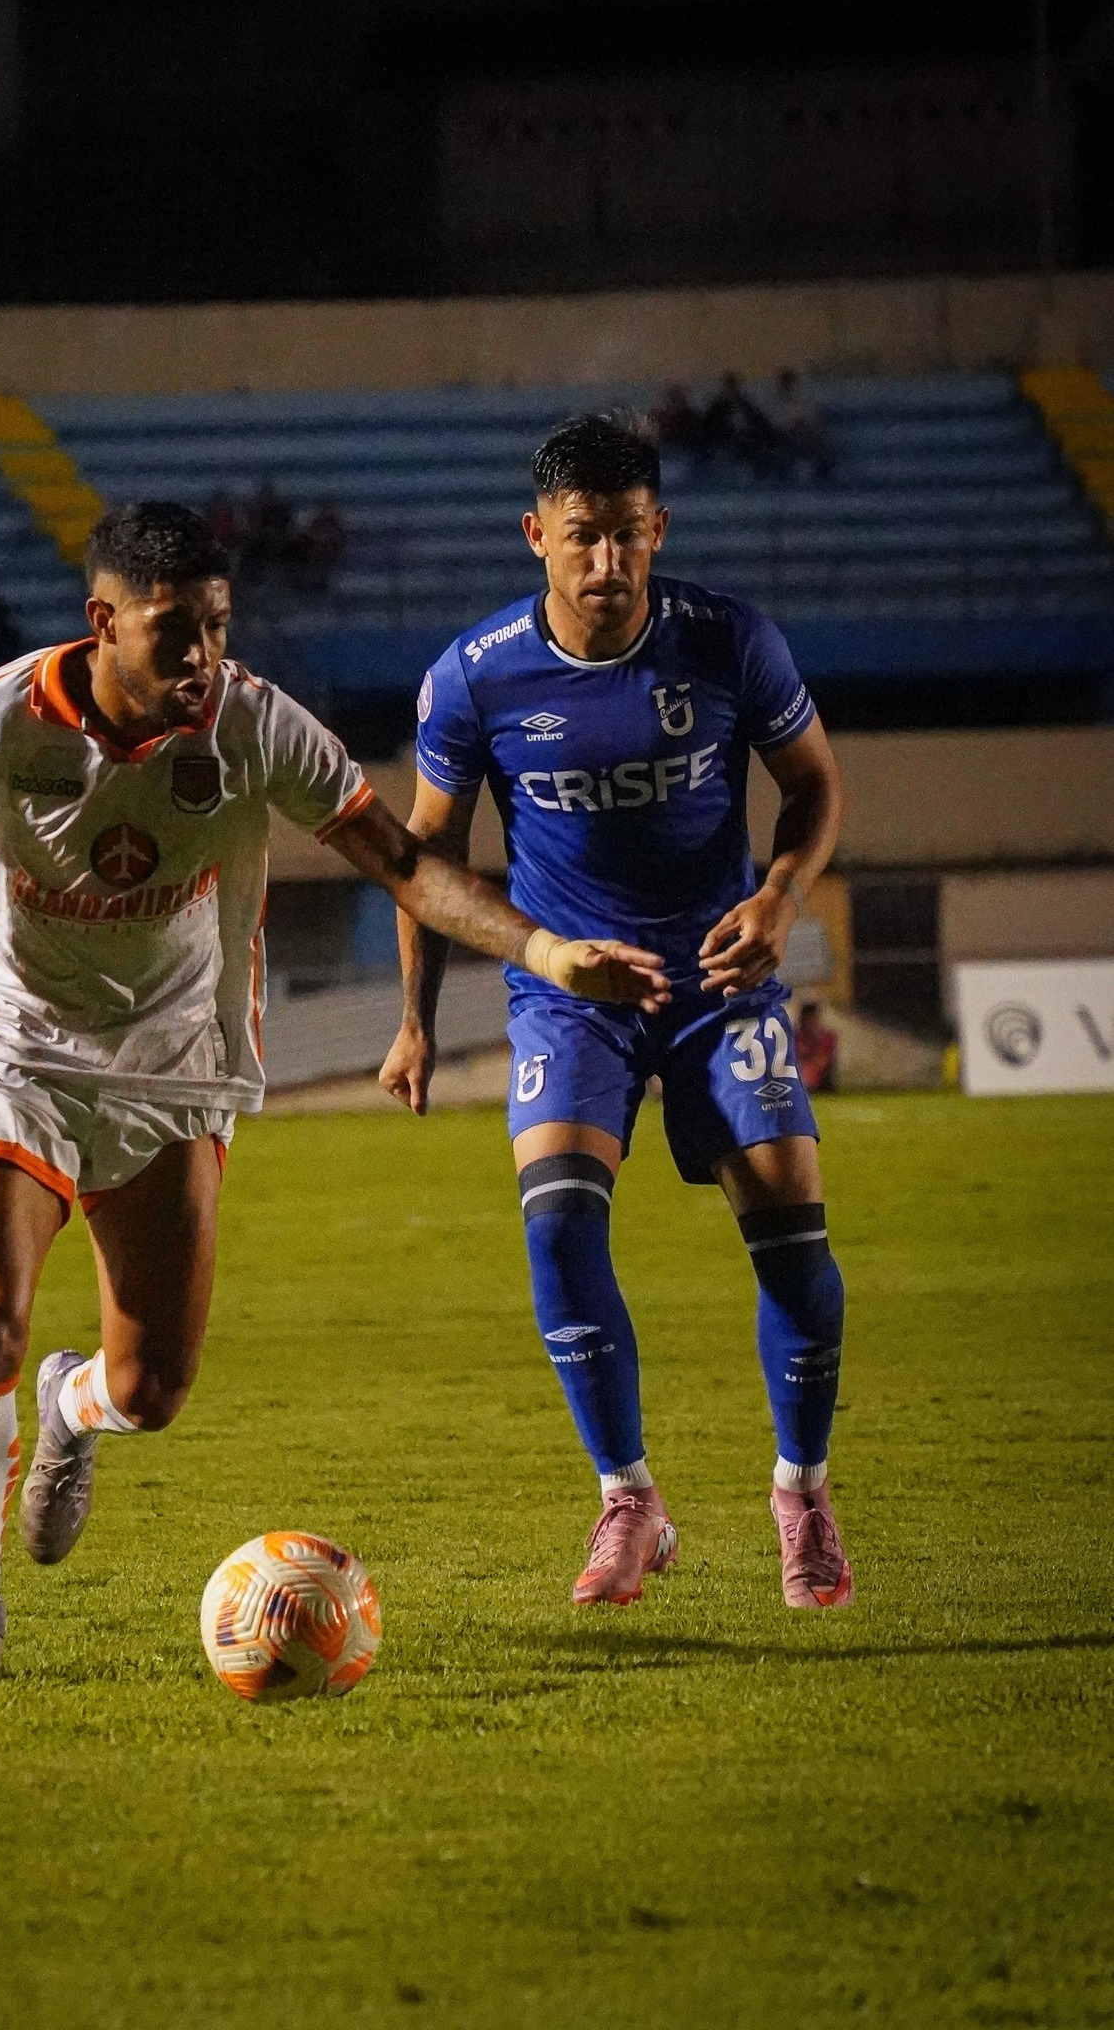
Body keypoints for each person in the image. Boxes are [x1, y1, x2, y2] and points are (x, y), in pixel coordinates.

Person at [0, 500, 667, 1687]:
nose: (203, 656)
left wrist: (550, 952)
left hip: (175, 1068)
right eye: (174, 632)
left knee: (151, 1390)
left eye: (216, 626)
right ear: (101, 623)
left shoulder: (253, 723)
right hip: (20, 1055)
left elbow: (403, 863)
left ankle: (74, 1408)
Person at [380, 415, 853, 1613]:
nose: (606, 562)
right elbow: (423, 860)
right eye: (582, 537)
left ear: (658, 532)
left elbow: (812, 787)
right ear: (537, 536)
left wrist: (780, 896)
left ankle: (800, 1487)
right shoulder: (474, 674)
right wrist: (415, 1020)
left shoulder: (729, 639)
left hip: (718, 979)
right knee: (555, 1224)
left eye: (627, 535)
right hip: (569, 993)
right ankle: (629, 1497)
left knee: (793, 1229)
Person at [795, 999, 838, 1091]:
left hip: (819, 1080)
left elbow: (822, 1061)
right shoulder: (795, 1037)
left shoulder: (827, 1037)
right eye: (806, 1018)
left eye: (812, 1018)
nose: (809, 1022)